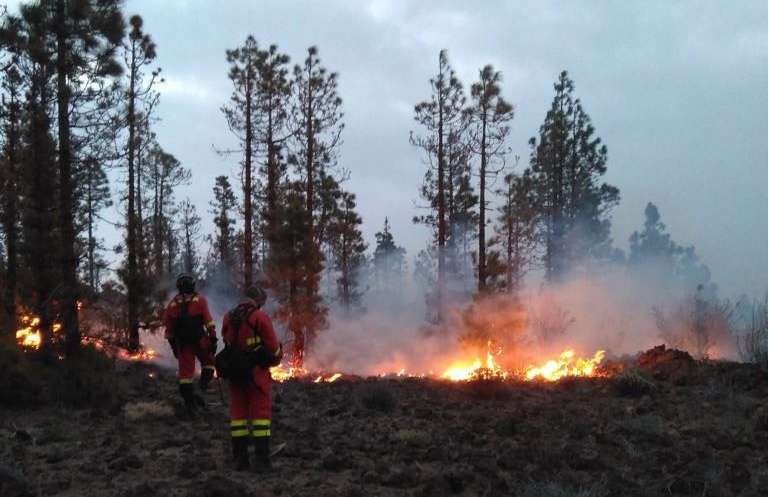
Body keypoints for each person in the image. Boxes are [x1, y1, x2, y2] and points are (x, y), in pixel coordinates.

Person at [220, 286, 282, 471]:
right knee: (261, 416)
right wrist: (277, 356)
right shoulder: (259, 317)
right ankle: (262, 461)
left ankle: (240, 460)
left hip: (235, 374)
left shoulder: (228, 317)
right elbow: (272, 347)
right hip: (256, 374)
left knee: (238, 416)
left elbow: (227, 340)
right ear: (257, 300)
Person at [163, 273, 218, 413]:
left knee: (185, 375)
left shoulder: (172, 305)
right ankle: (201, 389)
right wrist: (213, 339)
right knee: (209, 363)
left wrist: (174, 347)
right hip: (201, 341)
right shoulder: (200, 300)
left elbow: (168, 330)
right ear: (192, 285)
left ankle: (190, 404)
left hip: (183, 344)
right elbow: (209, 323)